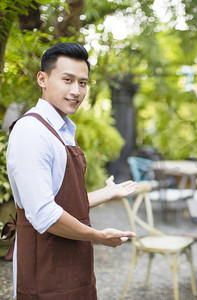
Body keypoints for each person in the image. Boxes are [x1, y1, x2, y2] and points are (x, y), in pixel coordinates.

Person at [5, 42, 138, 299]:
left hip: (73, 262)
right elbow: (44, 213)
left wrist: (108, 193)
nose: (76, 91)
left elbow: (65, 203)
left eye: (83, 83)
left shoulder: (62, 130)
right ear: (42, 79)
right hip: (44, 267)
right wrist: (98, 236)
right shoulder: (32, 132)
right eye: (67, 80)